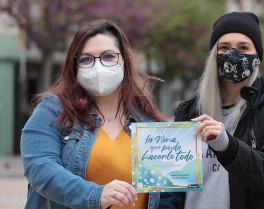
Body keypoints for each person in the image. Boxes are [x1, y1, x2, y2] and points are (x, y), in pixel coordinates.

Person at [21, 19, 174, 209]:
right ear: (75, 66)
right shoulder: (53, 110)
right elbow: (40, 168)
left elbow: (166, 195)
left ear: (124, 60)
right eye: (86, 59)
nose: (98, 66)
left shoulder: (147, 121)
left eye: (108, 56)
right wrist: (95, 195)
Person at [173, 12, 264, 209]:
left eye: (243, 47)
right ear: (213, 56)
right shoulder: (189, 111)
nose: (233, 54)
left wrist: (226, 145)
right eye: (224, 47)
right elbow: (174, 183)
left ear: (257, 57)